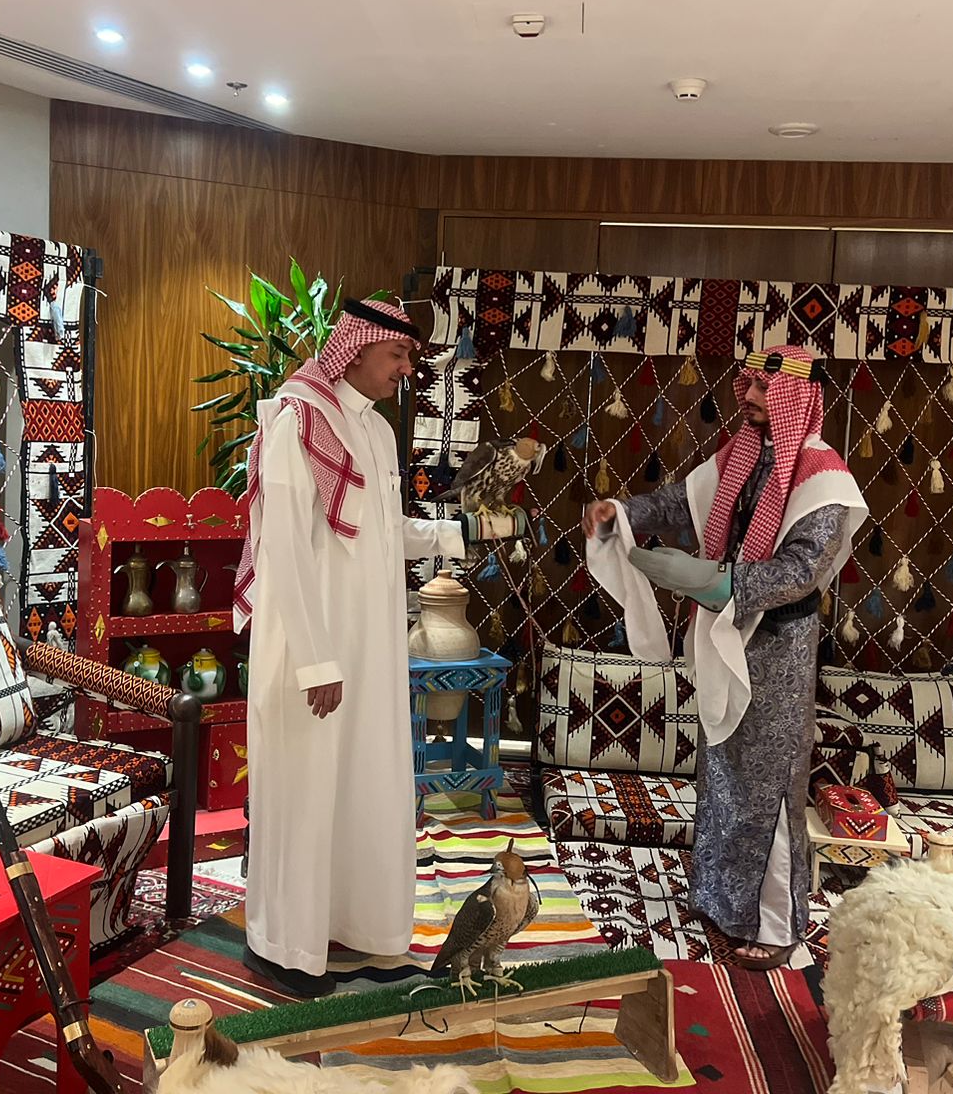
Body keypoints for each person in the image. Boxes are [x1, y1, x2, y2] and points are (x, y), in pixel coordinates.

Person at [232, 299, 516, 997]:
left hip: (368, 649)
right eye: (399, 354)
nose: (407, 369)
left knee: (366, 786)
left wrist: (460, 533)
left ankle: (360, 934)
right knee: (305, 793)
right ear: (356, 348)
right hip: (310, 649)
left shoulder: (378, 432)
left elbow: (383, 529)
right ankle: (283, 946)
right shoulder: (296, 419)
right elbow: (284, 549)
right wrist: (315, 660)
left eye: (411, 357)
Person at [582, 345, 867, 969]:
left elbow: (802, 571)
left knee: (770, 785)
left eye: (766, 393)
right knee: (724, 774)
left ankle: (774, 926)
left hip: (778, 647)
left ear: (797, 400)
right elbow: (680, 504)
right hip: (723, 632)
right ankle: (721, 902)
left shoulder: (824, 479)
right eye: (749, 389)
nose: (752, 402)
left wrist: (722, 583)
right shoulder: (740, 454)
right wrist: (622, 512)